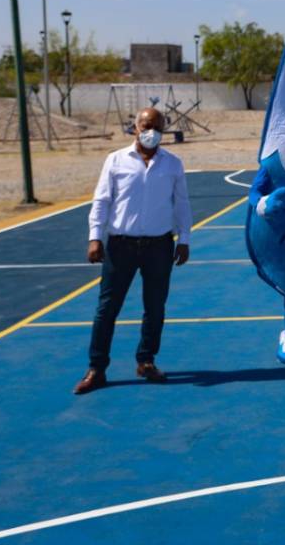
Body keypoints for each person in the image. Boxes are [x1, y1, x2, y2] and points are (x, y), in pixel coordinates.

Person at [75, 108, 192, 394]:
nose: (151, 132)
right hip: (120, 246)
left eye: (157, 127)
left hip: (159, 246)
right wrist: (94, 237)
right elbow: (102, 200)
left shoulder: (173, 164)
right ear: (135, 128)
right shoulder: (115, 160)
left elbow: (181, 203)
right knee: (107, 308)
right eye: (146, 126)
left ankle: (146, 361)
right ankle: (96, 368)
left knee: (155, 307)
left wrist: (184, 239)